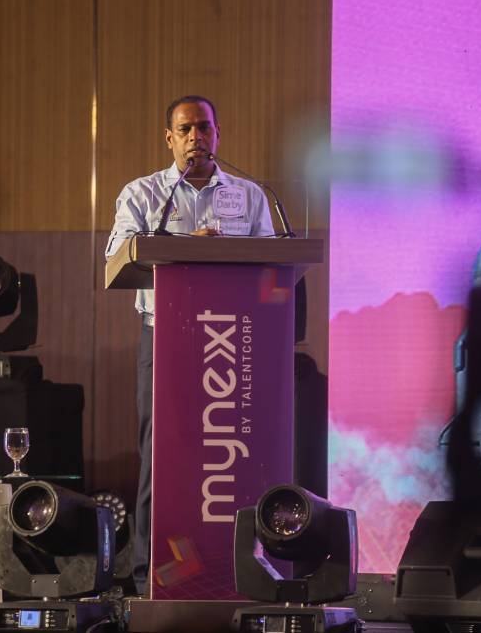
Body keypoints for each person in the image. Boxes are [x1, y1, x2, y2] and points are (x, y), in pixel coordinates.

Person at [105, 95, 275, 594]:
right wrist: (184, 247)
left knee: (238, 456)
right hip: (166, 339)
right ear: (170, 138)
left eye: (204, 127)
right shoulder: (143, 194)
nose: (196, 137)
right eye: (186, 129)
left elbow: (273, 260)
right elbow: (117, 256)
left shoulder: (249, 196)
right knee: (160, 458)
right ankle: (147, 579)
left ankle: (243, 573)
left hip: (235, 342)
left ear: (219, 133)